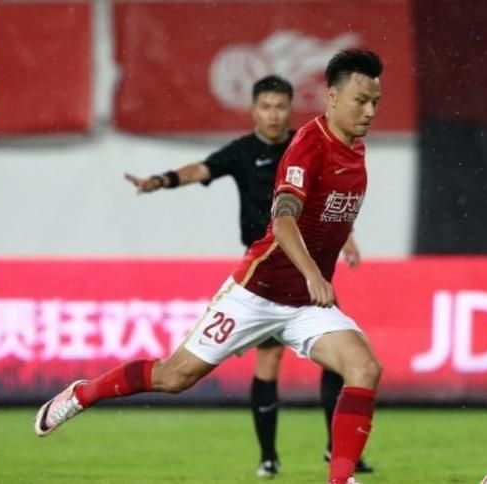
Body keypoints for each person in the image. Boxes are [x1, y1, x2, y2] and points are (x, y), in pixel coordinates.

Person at [34, 49, 384, 484]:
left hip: (305, 305)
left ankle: (339, 479)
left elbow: (326, 215)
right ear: (332, 97)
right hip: (256, 294)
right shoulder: (307, 147)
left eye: (375, 102)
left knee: (364, 368)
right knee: (174, 377)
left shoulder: (355, 150)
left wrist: (339, 246)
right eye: (360, 101)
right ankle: (84, 393)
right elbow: (283, 220)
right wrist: (313, 273)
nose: (369, 111)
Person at [122, 74, 372, 477]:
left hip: (307, 269)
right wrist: (160, 181)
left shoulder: (306, 144)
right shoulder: (242, 152)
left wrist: (349, 239)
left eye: (280, 107)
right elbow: (202, 169)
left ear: (290, 109)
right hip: (265, 274)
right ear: (254, 110)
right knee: (267, 364)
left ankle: (336, 451)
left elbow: (328, 200)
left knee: (343, 361)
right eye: (266, 107)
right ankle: (269, 457)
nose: (273, 115)